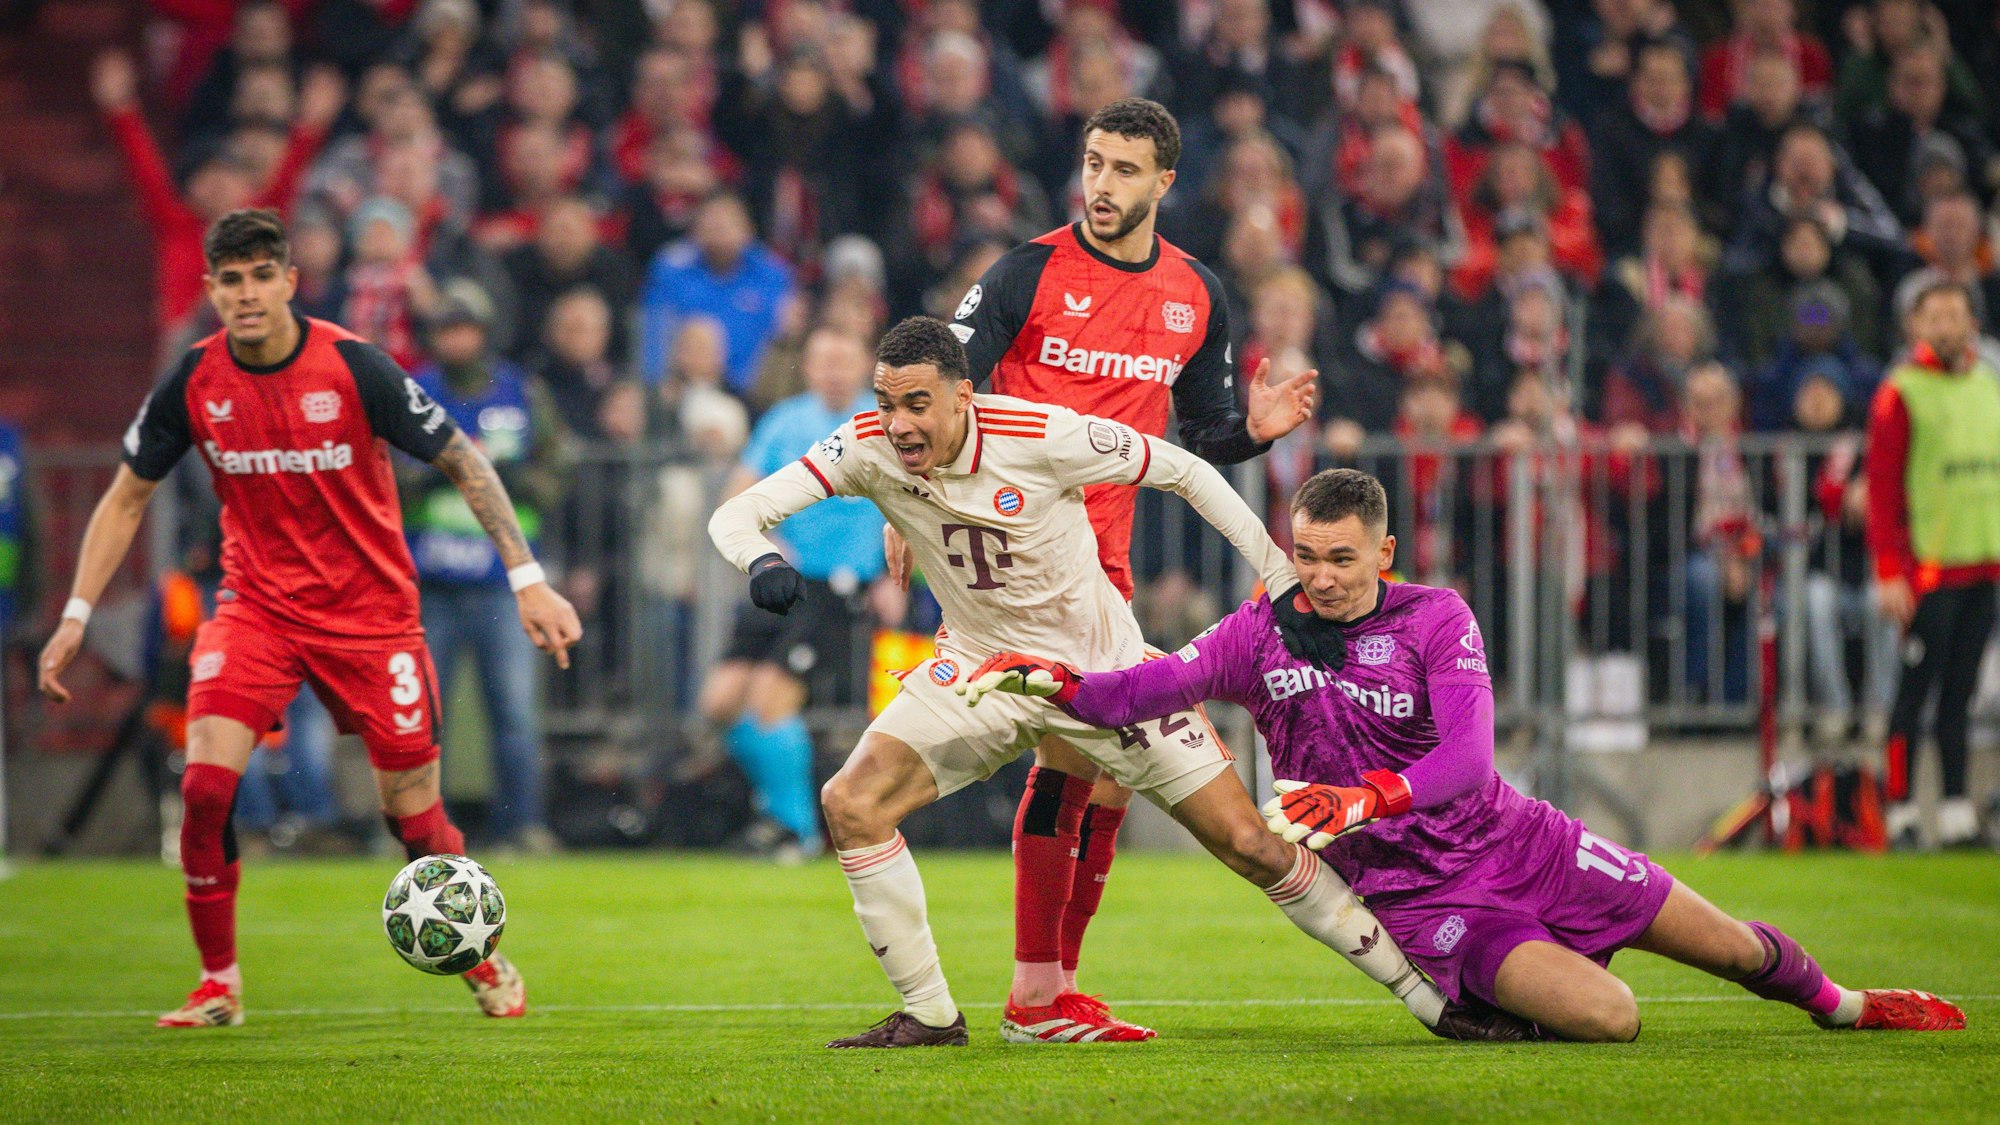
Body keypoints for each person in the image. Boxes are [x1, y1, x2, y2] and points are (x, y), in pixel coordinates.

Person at [710, 317, 1523, 1049]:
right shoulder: (864, 444)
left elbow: (1188, 473)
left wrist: (1280, 578)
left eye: (917, 404)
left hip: (1106, 677)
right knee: (851, 802)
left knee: (1249, 842)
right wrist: (763, 558)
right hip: (980, 669)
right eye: (888, 403)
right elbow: (737, 514)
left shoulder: (1042, 434)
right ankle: (930, 1014)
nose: (899, 424)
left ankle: (1428, 999)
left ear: (964, 395)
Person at [961, 468, 1967, 1040]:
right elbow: (1137, 693)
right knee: (1612, 1019)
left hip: (1523, 842)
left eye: (1340, 558)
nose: (1317, 577)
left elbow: (1470, 763)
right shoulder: (1256, 632)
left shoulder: (1435, 617)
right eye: (1304, 556)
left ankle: (1848, 1008)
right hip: (1431, 900)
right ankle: (1492, 984)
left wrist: (1359, 800)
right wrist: (1051, 679)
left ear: (1383, 555)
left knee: (1738, 951)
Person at [36, 210, 582, 1028]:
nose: (247, 293)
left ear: (289, 281)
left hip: (373, 618)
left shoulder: (355, 367)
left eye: (262, 276)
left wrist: (529, 579)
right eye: (231, 280)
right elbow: (125, 496)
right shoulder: (195, 380)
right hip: (255, 609)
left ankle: (478, 954)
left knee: (414, 819)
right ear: (212, 289)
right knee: (205, 787)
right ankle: (218, 983)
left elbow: (462, 458)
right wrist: (76, 613)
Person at [930, 97, 1318, 1042]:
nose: (1102, 185)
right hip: (1020, 559)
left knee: (1106, 779)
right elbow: (943, 391)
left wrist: (1253, 433)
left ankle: (1054, 987)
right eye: (1094, 164)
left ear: (1164, 182)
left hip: (1107, 565)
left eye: (1125, 170)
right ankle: (1038, 995)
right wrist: (914, 503)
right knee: (1077, 757)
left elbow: (1204, 430)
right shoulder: (1025, 273)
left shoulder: (1196, 295)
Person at [695, 327, 888, 861]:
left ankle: (795, 829)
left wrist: (892, 573)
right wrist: (766, 542)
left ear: (865, 366)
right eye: (824, 360)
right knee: (719, 702)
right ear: (807, 367)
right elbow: (738, 492)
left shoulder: (880, 422)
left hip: (837, 587)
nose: (834, 371)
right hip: (779, 582)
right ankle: (775, 808)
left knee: (770, 703)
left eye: (844, 360)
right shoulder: (785, 421)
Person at [404, 280, 568, 853]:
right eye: (447, 329)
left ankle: (521, 826)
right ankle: (422, 830)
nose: (457, 340)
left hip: (505, 583)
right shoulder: (412, 392)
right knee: (423, 716)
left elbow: (558, 469)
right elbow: (383, 473)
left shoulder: (523, 393)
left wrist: (517, 479)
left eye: (466, 329)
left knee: (515, 714)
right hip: (430, 580)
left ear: (486, 333)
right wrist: (436, 472)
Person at [1865, 280, 2000, 846]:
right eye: (1935, 316)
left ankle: (1954, 809)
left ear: (1972, 322)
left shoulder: (1988, 384)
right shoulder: (1901, 392)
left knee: (1961, 693)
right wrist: (1889, 571)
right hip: (1928, 571)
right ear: (1915, 326)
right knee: (1913, 694)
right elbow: (1882, 489)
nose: (1946, 327)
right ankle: (1899, 810)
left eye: (1955, 315)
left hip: (1983, 564)